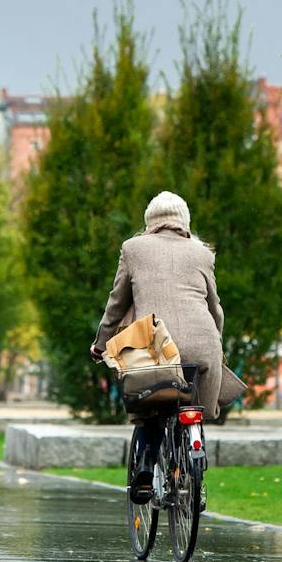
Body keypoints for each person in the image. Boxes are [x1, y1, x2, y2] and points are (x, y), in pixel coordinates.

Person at [91, 191, 224, 499]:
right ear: (184, 220)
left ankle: (145, 473)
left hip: (156, 349)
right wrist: (216, 343)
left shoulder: (133, 249)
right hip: (202, 346)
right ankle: (196, 475)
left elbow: (116, 304)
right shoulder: (202, 252)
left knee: (151, 409)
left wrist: (101, 344)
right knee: (192, 408)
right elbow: (215, 308)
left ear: (149, 220)